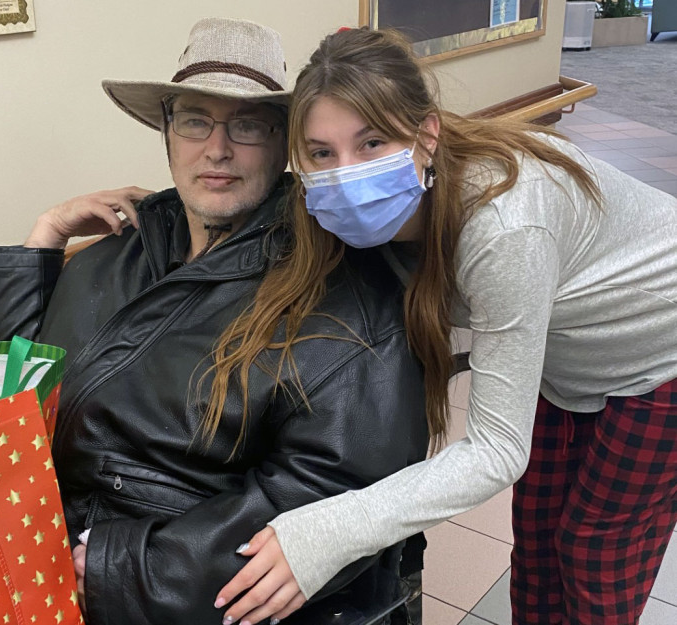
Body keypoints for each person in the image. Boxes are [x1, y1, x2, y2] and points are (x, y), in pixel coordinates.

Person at [215, 26, 677, 625]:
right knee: (536, 543)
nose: (346, 173)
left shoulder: (505, 224)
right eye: (322, 153)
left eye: (373, 142)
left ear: (426, 134)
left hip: (658, 350)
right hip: (568, 359)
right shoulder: (345, 214)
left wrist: (329, 532)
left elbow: (496, 450)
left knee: (595, 552)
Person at [0, 18, 428, 625]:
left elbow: (330, 491)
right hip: (41, 563)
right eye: (194, 120)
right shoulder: (117, 252)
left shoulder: (337, 284)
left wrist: (115, 568)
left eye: (247, 124)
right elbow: (8, 399)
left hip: (169, 591)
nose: (216, 149)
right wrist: (42, 239)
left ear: (283, 142)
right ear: (166, 132)